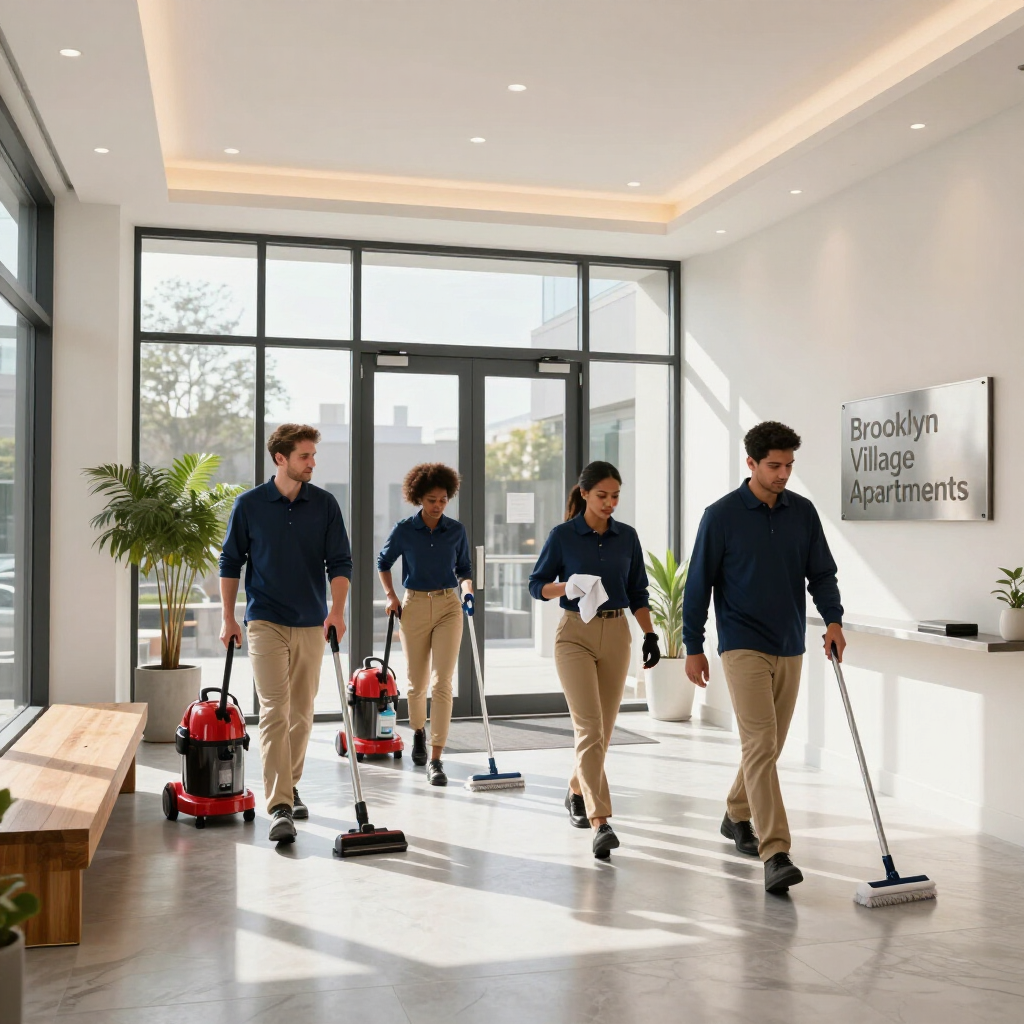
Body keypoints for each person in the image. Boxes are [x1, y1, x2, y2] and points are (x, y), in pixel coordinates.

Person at [682, 421, 846, 894]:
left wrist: (833, 620)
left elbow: (822, 573)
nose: (783, 474)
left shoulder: (803, 512)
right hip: (741, 643)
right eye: (774, 465)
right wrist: (693, 645)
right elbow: (698, 586)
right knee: (760, 741)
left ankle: (736, 814)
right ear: (751, 463)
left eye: (789, 465)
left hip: (790, 641)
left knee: (767, 746)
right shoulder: (722, 515)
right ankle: (776, 852)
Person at [219, 423, 352, 844]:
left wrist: (337, 612)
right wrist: (228, 617)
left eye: (313, 455)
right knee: (275, 709)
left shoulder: (326, 505)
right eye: (304, 456)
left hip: (313, 621)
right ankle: (279, 806)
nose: (312, 463)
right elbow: (229, 563)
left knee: (302, 712)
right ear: (281, 458)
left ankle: (290, 786)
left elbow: (340, 563)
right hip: (265, 621)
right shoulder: (250, 505)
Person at [529, 461, 661, 859]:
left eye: (616, 496)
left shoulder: (628, 537)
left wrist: (650, 633)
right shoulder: (563, 536)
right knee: (588, 727)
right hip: (574, 635)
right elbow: (537, 586)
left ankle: (575, 788)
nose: (610, 503)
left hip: (617, 632)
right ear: (584, 493)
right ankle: (600, 820)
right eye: (602, 495)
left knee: (602, 730)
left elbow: (638, 590)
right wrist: (566, 585)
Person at [378, 463, 473, 787]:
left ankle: (436, 757)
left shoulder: (456, 531)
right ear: (420, 497)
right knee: (417, 683)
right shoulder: (404, 529)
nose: (438, 505)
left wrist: (468, 589)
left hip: (449, 605)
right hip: (415, 605)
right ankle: (418, 731)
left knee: (442, 683)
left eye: (443, 500)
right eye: (432, 499)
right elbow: (383, 562)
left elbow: (464, 569)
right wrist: (391, 596)